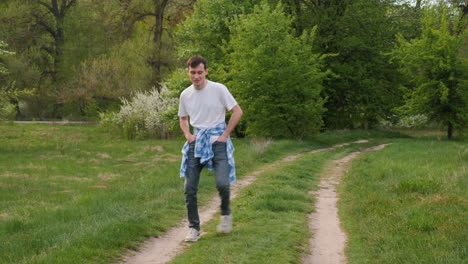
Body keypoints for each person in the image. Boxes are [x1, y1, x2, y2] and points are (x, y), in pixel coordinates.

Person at [178, 55, 243, 242]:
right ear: (188, 72)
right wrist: (187, 135)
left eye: (200, 72)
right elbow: (183, 118)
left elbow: (237, 111)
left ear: (206, 71)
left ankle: (225, 214)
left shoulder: (219, 89)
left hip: (218, 142)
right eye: (193, 73)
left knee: (222, 183)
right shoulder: (185, 95)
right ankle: (194, 228)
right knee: (189, 188)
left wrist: (225, 135)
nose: (196, 76)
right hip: (196, 143)